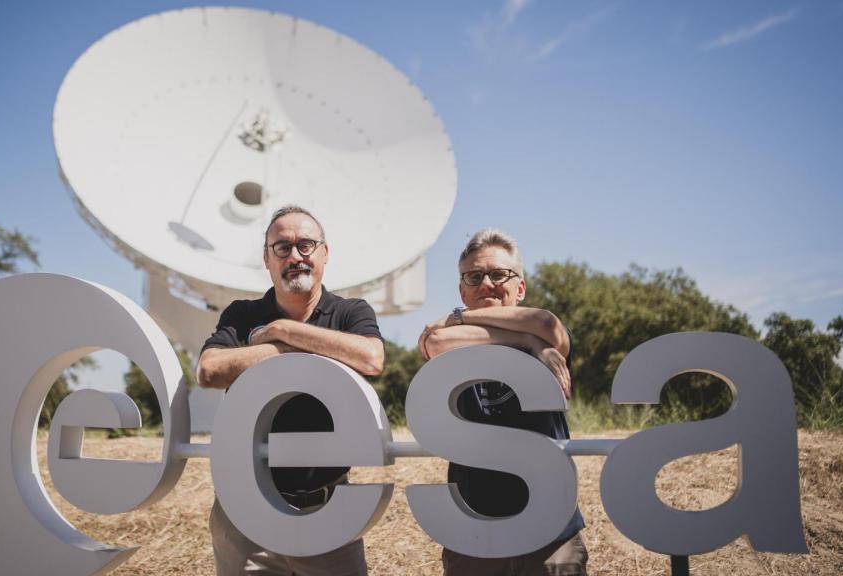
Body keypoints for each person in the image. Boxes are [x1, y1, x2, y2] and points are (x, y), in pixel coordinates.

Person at [197, 205, 385, 576]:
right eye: (282, 247)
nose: (295, 256)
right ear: (267, 258)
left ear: (324, 253)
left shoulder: (350, 312)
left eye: (306, 245)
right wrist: (297, 349)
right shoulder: (242, 315)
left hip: (326, 513)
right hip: (244, 514)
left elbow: (371, 358)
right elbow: (209, 370)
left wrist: (284, 331)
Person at [417, 228, 588, 576]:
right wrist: (528, 342)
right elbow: (434, 343)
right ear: (462, 290)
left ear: (520, 288)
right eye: (474, 277)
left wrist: (461, 316)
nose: (486, 284)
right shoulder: (534, 342)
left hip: (551, 530)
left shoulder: (549, 339)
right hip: (475, 527)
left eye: (498, 274)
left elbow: (543, 322)